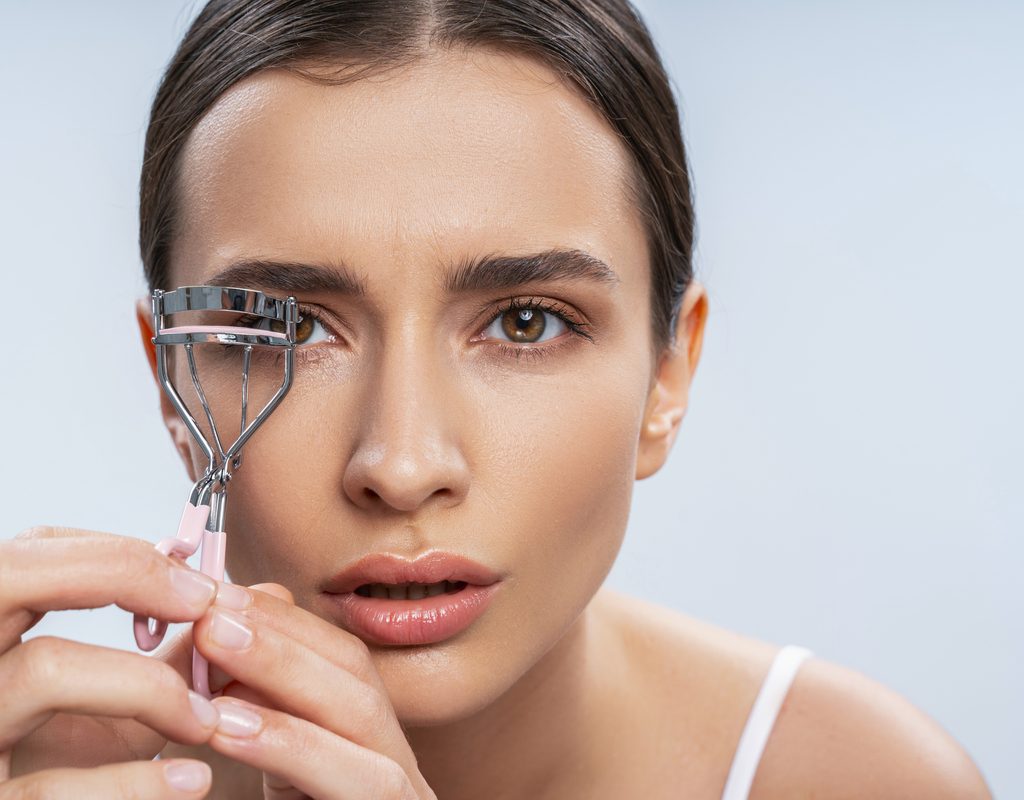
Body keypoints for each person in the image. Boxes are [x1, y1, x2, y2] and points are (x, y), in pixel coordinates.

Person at [2, 1, 992, 798]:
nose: (402, 466)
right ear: (172, 380)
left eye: (525, 322)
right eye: (293, 330)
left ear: (668, 375)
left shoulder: (860, 782)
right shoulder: (49, 773)